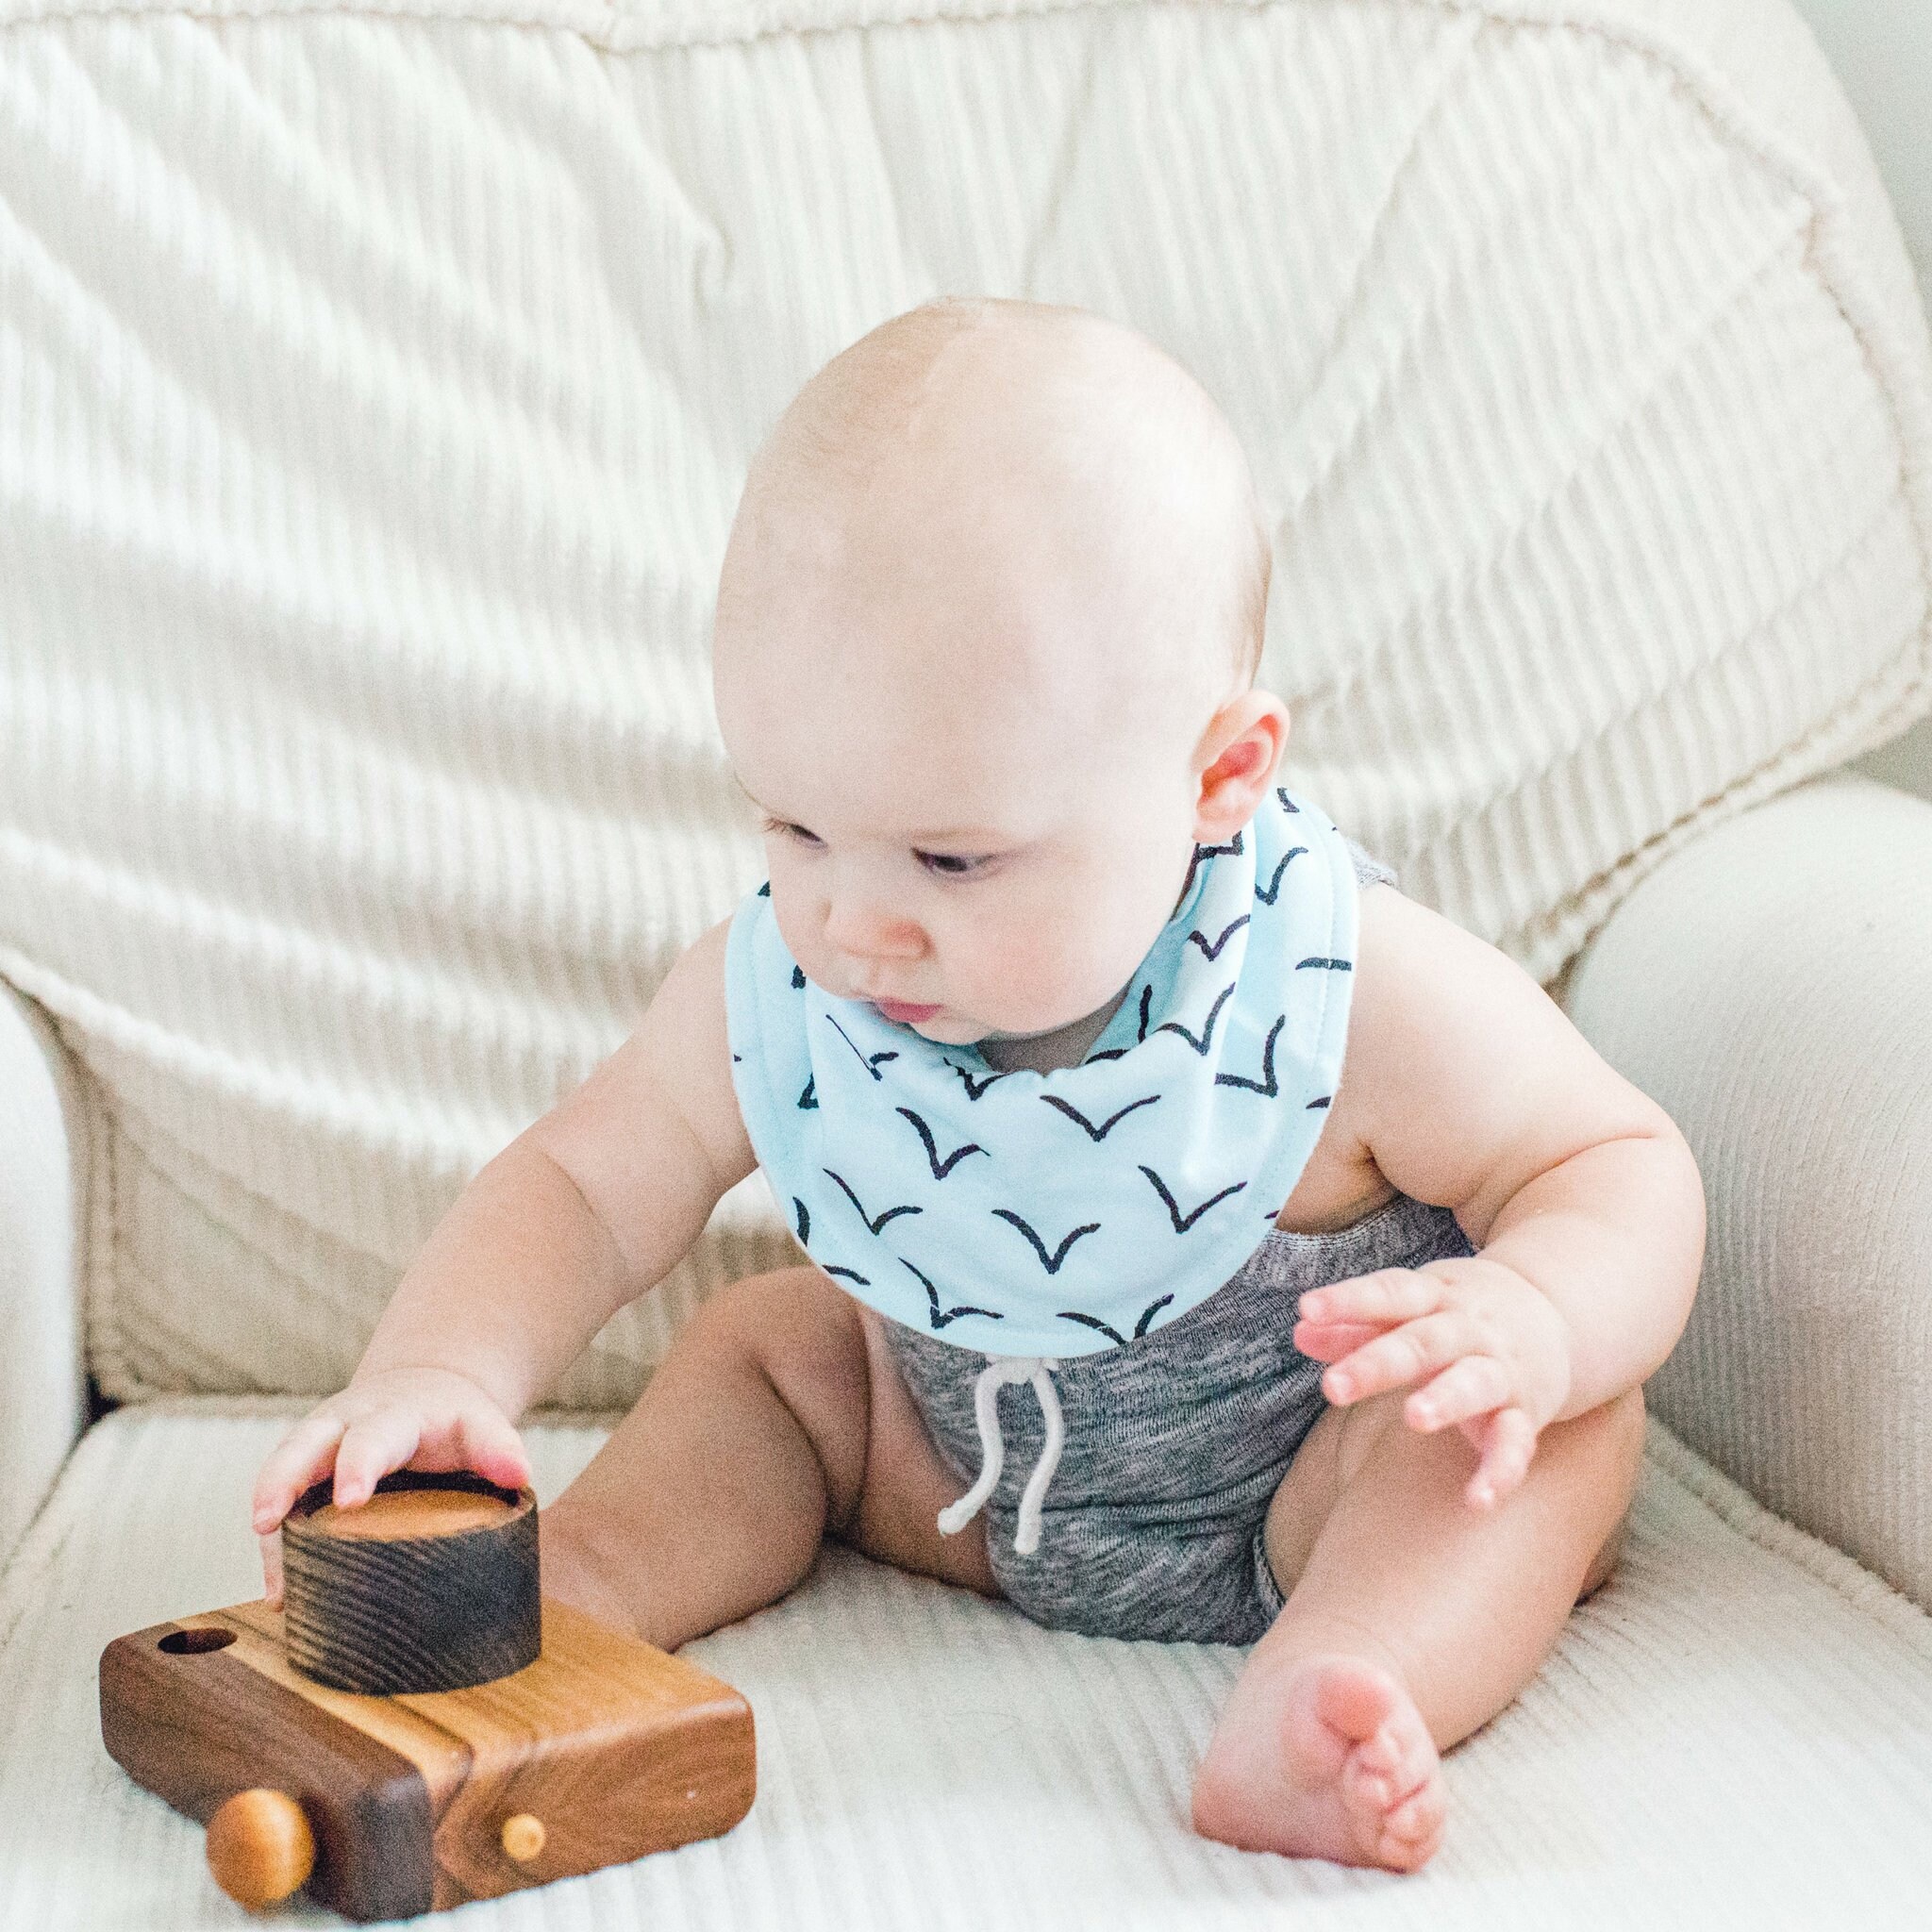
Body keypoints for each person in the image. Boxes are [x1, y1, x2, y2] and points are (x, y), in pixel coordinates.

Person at [250, 295, 1705, 1873]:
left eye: (953, 856)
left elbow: (1614, 1161)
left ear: (1218, 778)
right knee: (773, 1349)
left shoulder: (1338, 988)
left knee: (1546, 1437)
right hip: (938, 1476)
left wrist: (1542, 1321)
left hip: (1313, 1482)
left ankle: (1330, 1691)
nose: (853, 921)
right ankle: (577, 1591)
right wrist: (435, 1373)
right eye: (795, 826)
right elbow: (589, 1182)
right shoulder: (794, 983)